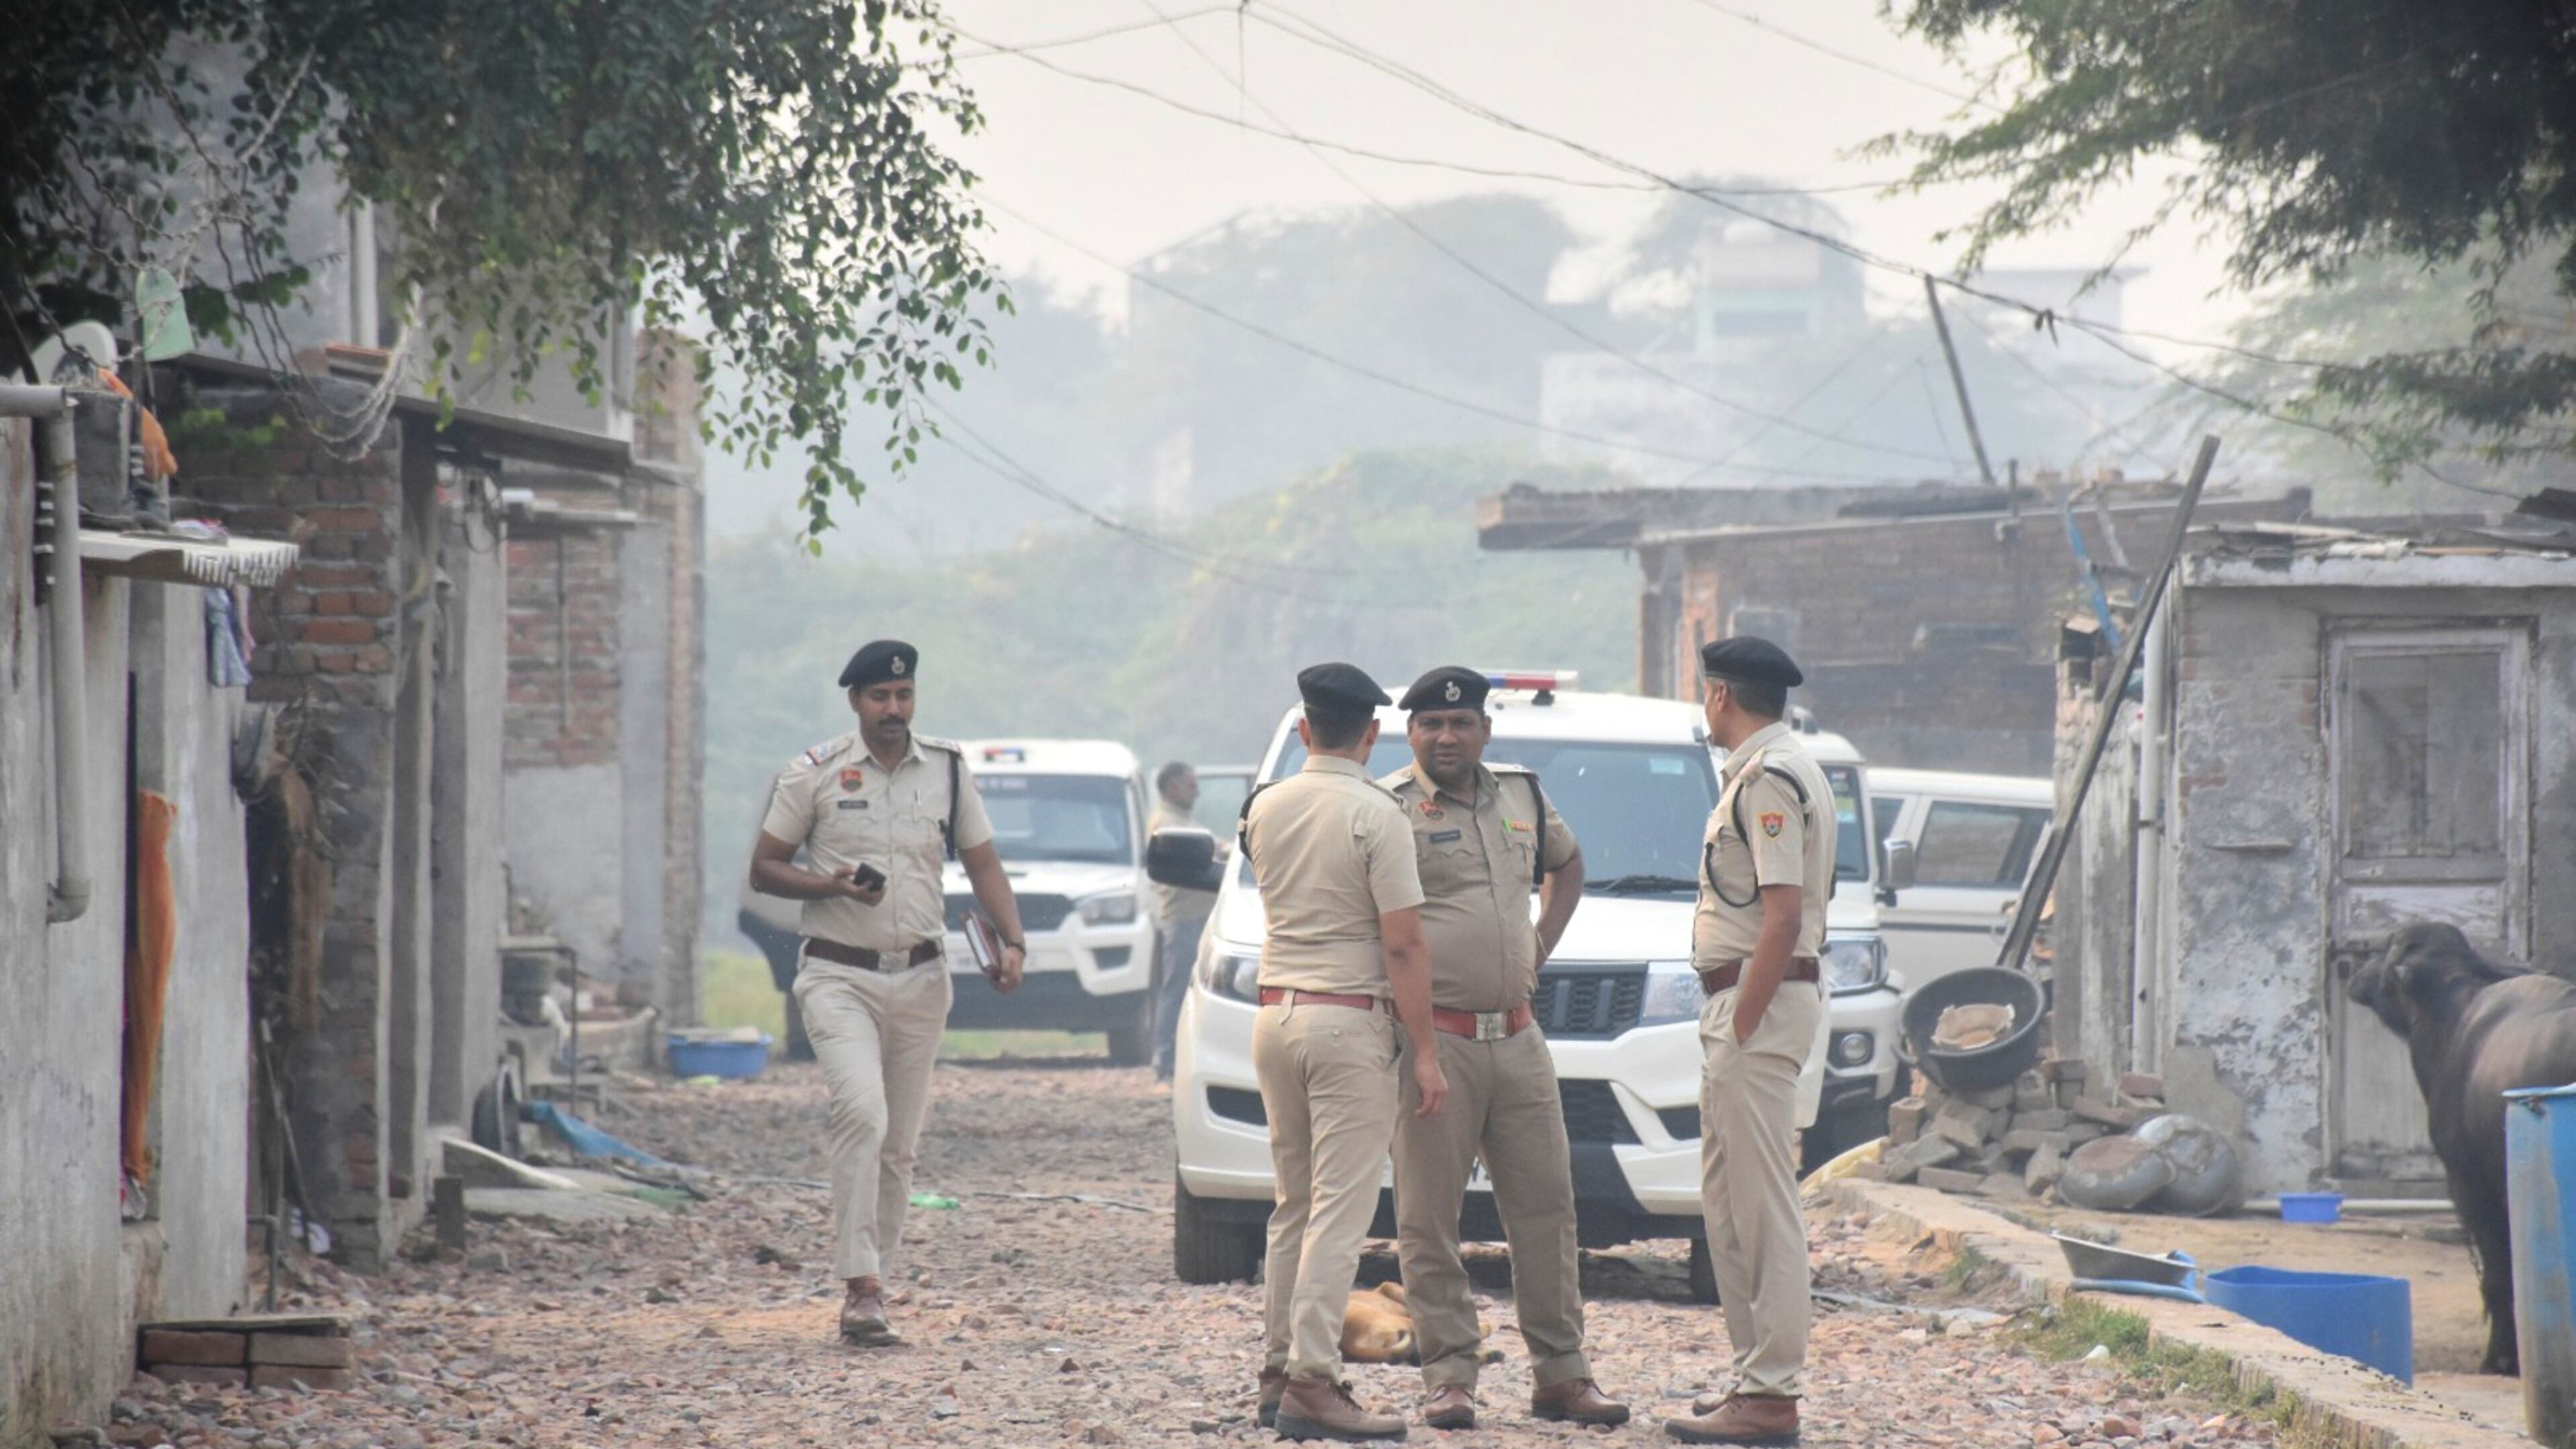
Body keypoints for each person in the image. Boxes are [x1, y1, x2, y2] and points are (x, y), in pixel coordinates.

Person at [747, 639, 1028, 1349]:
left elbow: (984, 861)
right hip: (839, 974)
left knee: (899, 1146)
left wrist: (1014, 941)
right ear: (856, 702)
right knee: (861, 1114)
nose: (894, 709)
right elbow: (766, 868)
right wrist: (831, 883)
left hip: (924, 976)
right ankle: (859, 1286)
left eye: (904, 696)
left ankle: (877, 1279)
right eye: (880, 698)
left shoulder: (950, 771)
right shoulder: (813, 774)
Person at [1379, 666, 1628, 1432]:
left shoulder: (1520, 793)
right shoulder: (1387, 810)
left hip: (1519, 1038)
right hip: (1436, 1041)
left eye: (1460, 724)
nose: (1446, 736)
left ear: (1485, 731)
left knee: (1547, 1210)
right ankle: (1449, 1375)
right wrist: (1416, 1045)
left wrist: (1535, 949)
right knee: (1429, 1218)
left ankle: (1562, 1374)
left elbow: (1569, 865)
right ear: (1410, 733)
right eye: (1430, 725)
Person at [1246, 663, 1447, 1443]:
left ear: (1304, 730)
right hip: (1347, 1020)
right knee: (1340, 1207)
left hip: (1275, 1018)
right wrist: (1426, 1051)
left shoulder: (1264, 807)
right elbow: (1403, 943)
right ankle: (1313, 1381)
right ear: (1372, 734)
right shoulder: (1378, 813)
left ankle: (1277, 1367)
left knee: (1293, 1204)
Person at [1664, 637, 1834, 1446]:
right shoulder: (1777, 767)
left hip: (1757, 1008)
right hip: (1750, 1003)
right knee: (1728, 1201)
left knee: (1760, 1203)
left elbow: (1783, 914)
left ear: (1723, 695)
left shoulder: (1769, 778)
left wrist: (1740, 1020)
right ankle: (1752, 1381)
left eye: (1707, 694)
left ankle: (1771, 1392)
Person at [1148, 761, 1220, 1083]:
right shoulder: (1166, 824)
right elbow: (1211, 851)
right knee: (1176, 990)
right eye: (1191, 785)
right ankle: (1164, 1063)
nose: (1198, 791)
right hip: (1183, 918)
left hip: (1197, 918)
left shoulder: (1182, 820)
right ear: (1172, 788)